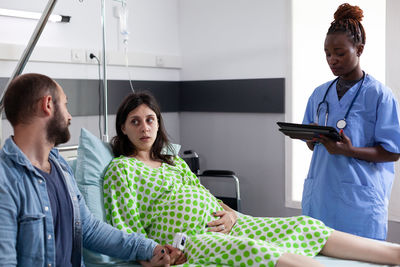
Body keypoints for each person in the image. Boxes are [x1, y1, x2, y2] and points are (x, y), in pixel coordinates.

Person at [104, 91, 400, 267]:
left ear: (158, 124)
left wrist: (231, 215)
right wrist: (148, 258)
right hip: (190, 241)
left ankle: (395, 254)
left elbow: (205, 197)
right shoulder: (122, 169)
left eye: (150, 119)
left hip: (225, 223)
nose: (145, 127)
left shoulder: (173, 162)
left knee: (304, 224)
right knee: (254, 250)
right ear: (123, 129)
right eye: (135, 121)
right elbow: (124, 226)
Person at [0, 73, 185, 267]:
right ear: (47, 105)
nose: (70, 116)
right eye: (65, 104)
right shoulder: (6, 180)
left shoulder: (60, 168)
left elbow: (89, 230)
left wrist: (151, 249)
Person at [302, 3, 400, 241]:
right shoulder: (319, 94)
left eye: (340, 53)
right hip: (321, 198)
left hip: (359, 203)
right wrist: (312, 137)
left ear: (359, 49)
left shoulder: (379, 95)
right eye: (327, 53)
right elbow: (312, 145)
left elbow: (392, 152)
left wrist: (349, 150)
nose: (332, 59)